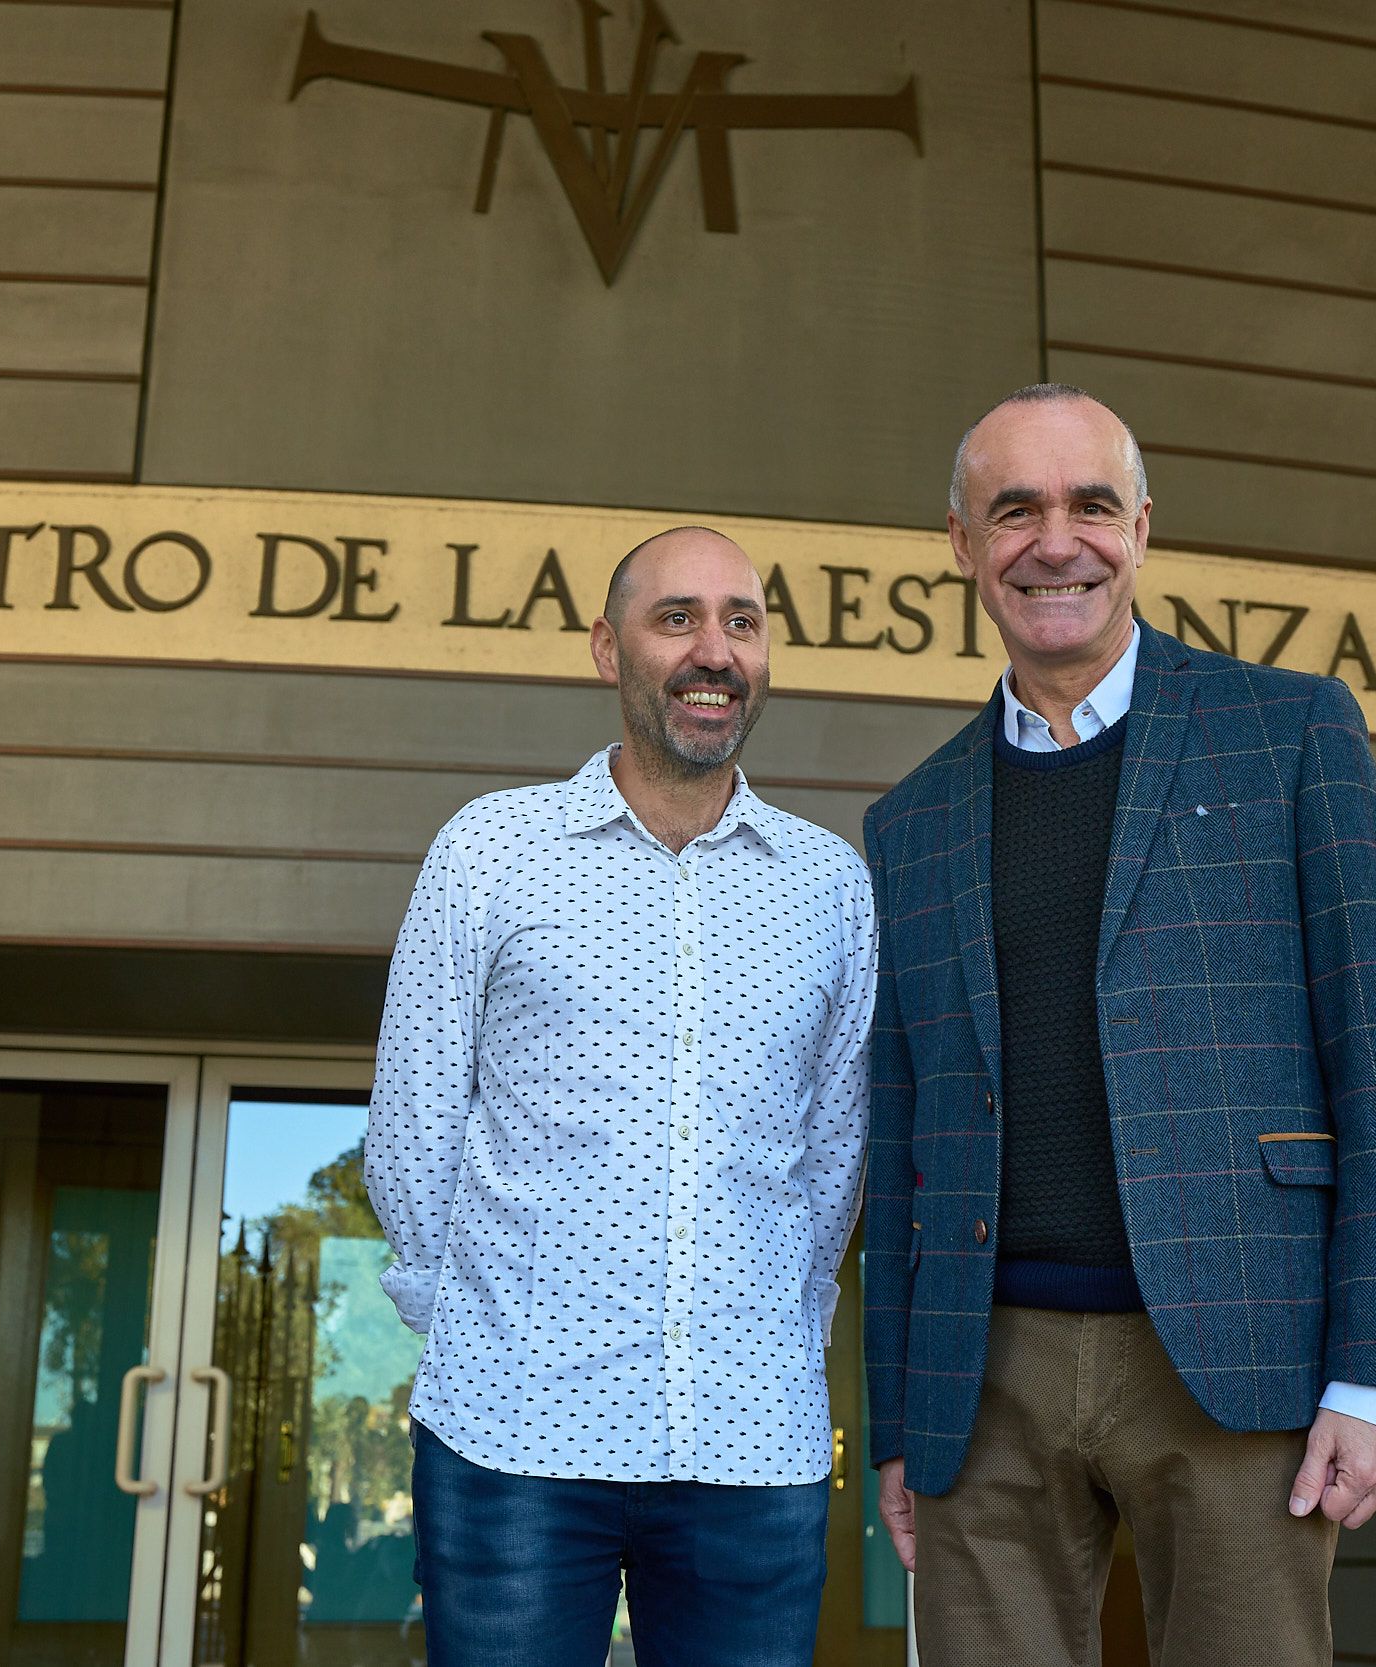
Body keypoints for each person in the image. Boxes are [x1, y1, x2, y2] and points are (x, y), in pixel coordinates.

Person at [862, 385, 1376, 1665]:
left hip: (1239, 1343)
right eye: (1013, 510)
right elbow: (902, 1130)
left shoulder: (1290, 731)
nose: (1055, 541)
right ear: (961, 543)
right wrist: (900, 1417)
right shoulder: (909, 821)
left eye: (1090, 504)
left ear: (1139, 528)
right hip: (983, 1372)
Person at [366, 527, 875, 1667]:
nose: (715, 651)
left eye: (742, 622)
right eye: (676, 618)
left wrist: (777, 1338)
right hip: (511, 1436)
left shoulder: (830, 886)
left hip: (751, 1445)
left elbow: (832, 1161)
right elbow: (412, 1131)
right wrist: (478, 1329)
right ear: (608, 648)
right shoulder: (489, 851)